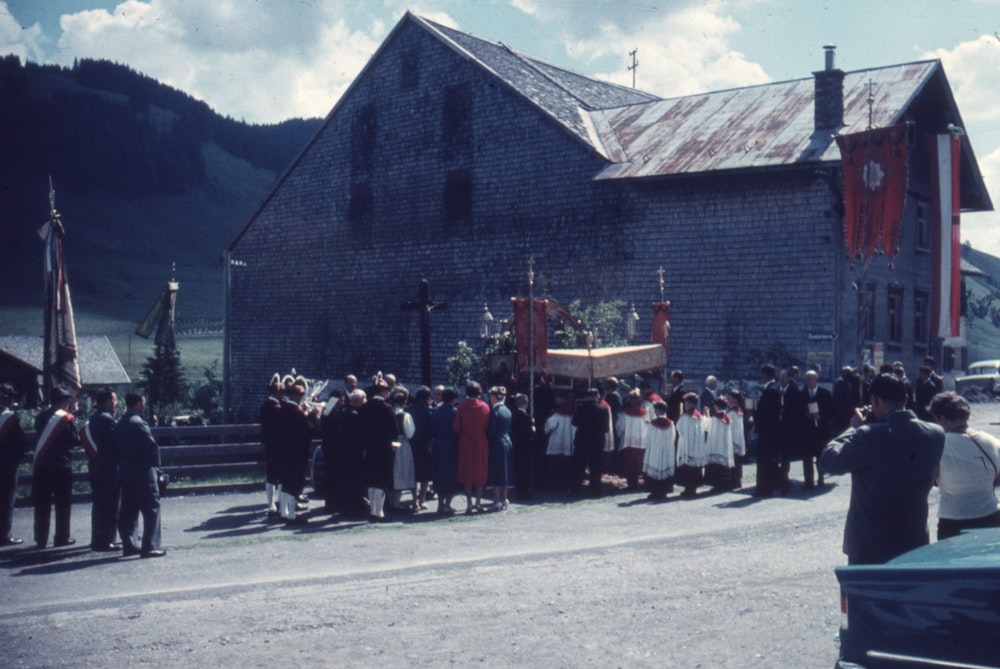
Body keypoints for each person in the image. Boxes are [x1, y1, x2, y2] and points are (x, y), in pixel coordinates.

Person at [820, 374, 945, 565]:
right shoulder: (936, 433)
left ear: (875, 400)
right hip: (914, 540)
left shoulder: (867, 435)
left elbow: (828, 461)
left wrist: (853, 428)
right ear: (906, 399)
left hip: (870, 546)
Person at [929, 392, 1000, 540]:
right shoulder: (992, 441)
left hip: (953, 521)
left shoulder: (938, 445)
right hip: (991, 516)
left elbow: (930, 480)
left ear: (943, 419)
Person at [115, 392, 165, 557]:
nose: (144, 405)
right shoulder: (139, 423)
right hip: (143, 471)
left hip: (125, 469)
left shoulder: (120, 423)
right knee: (151, 508)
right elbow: (151, 448)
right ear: (137, 404)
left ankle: (129, 544)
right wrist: (158, 468)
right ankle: (150, 545)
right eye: (143, 402)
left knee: (128, 509)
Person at [33, 385, 81, 548]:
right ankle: (61, 537)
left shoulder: (40, 418)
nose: (68, 402)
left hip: (42, 464)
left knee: (42, 504)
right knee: (63, 503)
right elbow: (74, 441)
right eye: (67, 399)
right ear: (62, 401)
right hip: (61, 464)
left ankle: (41, 538)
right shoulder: (66, 418)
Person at [83, 386, 121, 551]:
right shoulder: (107, 419)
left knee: (99, 504)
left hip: (96, 465)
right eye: (114, 399)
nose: (116, 403)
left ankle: (98, 539)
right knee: (109, 504)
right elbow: (115, 444)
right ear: (106, 401)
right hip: (108, 467)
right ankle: (106, 540)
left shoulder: (94, 417)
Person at [359, 376, 397, 522]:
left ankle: (372, 511)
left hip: (369, 449)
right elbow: (394, 432)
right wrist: (395, 448)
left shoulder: (364, 408)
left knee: (372, 480)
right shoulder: (387, 409)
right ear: (382, 391)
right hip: (384, 450)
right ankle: (378, 512)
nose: (388, 393)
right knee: (381, 480)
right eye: (386, 390)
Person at [278, 378, 312, 526]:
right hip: (297, 452)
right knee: (295, 484)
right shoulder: (297, 413)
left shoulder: (282, 408)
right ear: (297, 396)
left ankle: (283, 512)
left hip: (284, 451)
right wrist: (310, 415)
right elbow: (306, 433)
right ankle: (292, 515)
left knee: (286, 482)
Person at [454, 381, 490, 514]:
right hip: (480, 440)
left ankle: (469, 503)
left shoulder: (462, 407)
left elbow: (456, 427)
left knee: (467, 470)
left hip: (466, 440)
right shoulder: (485, 407)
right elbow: (486, 425)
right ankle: (478, 502)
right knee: (480, 470)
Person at [0, 384, 28, 546]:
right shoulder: (11, 419)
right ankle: (4, 534)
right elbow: (21, 444)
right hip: (7, 466)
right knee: (6, 500)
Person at [571, 388, 610, 498]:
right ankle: (596, 489)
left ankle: (576, 488)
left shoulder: (581, 408)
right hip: (597, 441)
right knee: (596, 466)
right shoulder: (603, 410)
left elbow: (574, 423)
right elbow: (606, 428)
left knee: (579, 465)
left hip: (582, 440)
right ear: (597, 396)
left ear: (587, 397)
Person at [801, 370, 835, 489]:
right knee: (806, 456)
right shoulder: (802, 394)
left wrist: (821, 416)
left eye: (810, 379)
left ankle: (821, 476)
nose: (808, 382)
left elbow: (831, 411)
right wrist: (806, 415)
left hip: (821, 430)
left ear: (816, 380)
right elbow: (798, 411)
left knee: (820, 455)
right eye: (806, 379)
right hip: (806, 430)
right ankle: (808, 481)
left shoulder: (825, 394)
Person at [430, 387, 459, 514]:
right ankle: (447, 503)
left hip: (438, 443)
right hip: (451, 445)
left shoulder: (435, 411)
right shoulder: (455, 412)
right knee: (451, 474)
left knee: (439, 474)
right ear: (454, 399)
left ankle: (440, 504)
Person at [753, 364, 781, 497]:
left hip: (768, 431)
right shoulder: (770, 389)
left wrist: (756, 416)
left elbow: (769, 413)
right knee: (766, 460)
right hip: (768, 430)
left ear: (767, 375)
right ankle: (765, 486)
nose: (761, 376)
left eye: (762, 374)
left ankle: (764, 487)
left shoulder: (772, 390)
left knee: (765, 460)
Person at [259, 373, 283, 518]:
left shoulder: (266, 405)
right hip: (277, 444)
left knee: (272, 475)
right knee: (277, 474)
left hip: (270, 444)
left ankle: (272, 504)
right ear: (278, 393)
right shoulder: (275, 407)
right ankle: (274, 504)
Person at [408, 386, 435, 510]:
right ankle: (422, 500)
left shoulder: (409, 410)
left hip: (412, 444)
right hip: (425, 445)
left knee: (413, 474)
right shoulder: (430, 411)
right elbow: (432, 431)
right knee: (425, 476)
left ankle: (414, 501)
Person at [675, 392, 707, 497]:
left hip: (687, 445)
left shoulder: (685, 417)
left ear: (690, 403)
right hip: (697, 446)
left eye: (686, 402)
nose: (685, 405)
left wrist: (679, 418)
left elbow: (679, 429)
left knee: (687, 467)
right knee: (694, 467)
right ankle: (693, 487)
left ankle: (688, 488)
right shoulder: (699, 416)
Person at [642, 400, 676, 500]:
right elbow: (673, 438)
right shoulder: (671, 424)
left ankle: (654, 491)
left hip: (654, 450)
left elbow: (647, 438)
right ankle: (664, 491)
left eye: (655, 409)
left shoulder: (653, 424)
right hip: (666, 450)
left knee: (654, 467)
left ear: (658, 410)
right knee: (664, 467)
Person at [487, 386, 514, 509]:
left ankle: (496, 500)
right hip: (507, 441)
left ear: (493, 397)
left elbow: (491, 431)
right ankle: (505, 498)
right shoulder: (508, 411)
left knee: (497, 471)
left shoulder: (494, 412)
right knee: (506, 470)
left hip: (497, 442)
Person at [390, 388, 416, 511]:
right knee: (402, 470)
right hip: (402, 444)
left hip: (390, 444)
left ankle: (391, 501)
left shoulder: (389, 413)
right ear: (404, 402)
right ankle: (397, 503)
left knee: (393, 471)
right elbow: (410, 434)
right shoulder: (405, 416)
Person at [543, 391, 576, 492]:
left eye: (557, 398)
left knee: (555, 464)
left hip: (556, 441)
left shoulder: (558, 412)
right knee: (566, 465)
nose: (556, 400)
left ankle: (555, 485)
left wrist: (545, 429)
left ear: (562, 399)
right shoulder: (572, 412)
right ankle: (565, 484)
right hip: (568, 442)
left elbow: (550, 425)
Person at [615, 389, 646, 490]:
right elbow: (647, 427)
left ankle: (631, 482)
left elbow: (620, 427)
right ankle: (636, 481)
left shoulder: (624, 412)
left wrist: (619, 434)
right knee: (638, 462)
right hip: (641, 441)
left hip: (628, 442)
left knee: (628, 462)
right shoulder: (644, 413)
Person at [704, 396, 735, 490]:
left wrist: (706, 414)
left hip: (715, 444)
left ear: (717, 406)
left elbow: (706, 426)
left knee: (716, 463)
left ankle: (717, 484)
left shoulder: (715, 418)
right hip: (724, 444)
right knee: (723, 463)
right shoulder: (727, 417)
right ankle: (724, 484)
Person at [510, 393, 535, 500]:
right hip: (526, 448)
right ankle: (525, 492)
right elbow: (531, 434)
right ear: (526, 404)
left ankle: (519, 491)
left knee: (518, 470)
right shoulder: (527, 417)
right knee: (525, 471)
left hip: (516, 446)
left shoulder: (513, 415)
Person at [726, 389, 746, 488]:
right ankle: (736, 481)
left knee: (735, 461)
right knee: (737, 461)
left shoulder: (733, 412)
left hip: (733, 439)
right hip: (737, 438)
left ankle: (735, 481)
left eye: (729, 398)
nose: (728, 399)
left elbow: (731, 427)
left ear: (735, 400)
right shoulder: (736, 411)